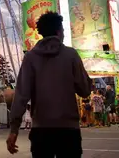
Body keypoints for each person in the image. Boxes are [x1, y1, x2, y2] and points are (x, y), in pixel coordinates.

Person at [7, 11, 92, 157]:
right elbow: (84, 90)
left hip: (41, 130)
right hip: (68, 130)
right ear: (59, 32)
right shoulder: (71, 55)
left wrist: (14, 129)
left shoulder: (30, 57)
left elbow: (21, 95)